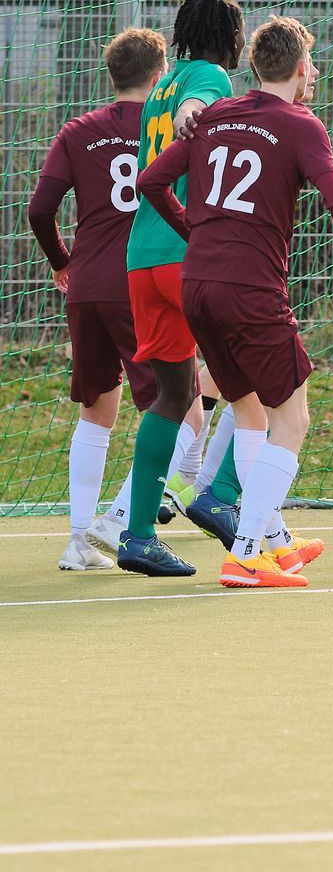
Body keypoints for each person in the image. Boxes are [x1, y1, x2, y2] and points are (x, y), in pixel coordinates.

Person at [139, 17, 333, 588]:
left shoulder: (215, 116)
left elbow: (150, 182)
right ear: (298, 68)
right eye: (311, 64)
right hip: (249, 291)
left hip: (198, 287)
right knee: (292, 419)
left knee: (248, 408)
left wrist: (195, 231)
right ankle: (246, 552)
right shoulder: (300, 124)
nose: (315, 73)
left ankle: (273, 541)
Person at [111, 0, 247, 576]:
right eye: (239, 31)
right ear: (228, 35)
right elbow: (201, 103)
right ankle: (223, 497)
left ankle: (138, 535)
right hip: (187, 253)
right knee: (271, 373)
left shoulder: (159, 88)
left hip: (142, 256)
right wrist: (198, 110)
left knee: (173, 396)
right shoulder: (209, 78)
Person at [27, 29, 167, 570]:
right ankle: (120, 519)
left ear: (111, 76)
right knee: (179, 408)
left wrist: (62, 261)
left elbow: (40, 210)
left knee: (96, 411)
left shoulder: (78, 130)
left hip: (86, 286)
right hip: (141, 281)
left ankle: (78, 542)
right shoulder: (166, 128)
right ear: (159, 76)